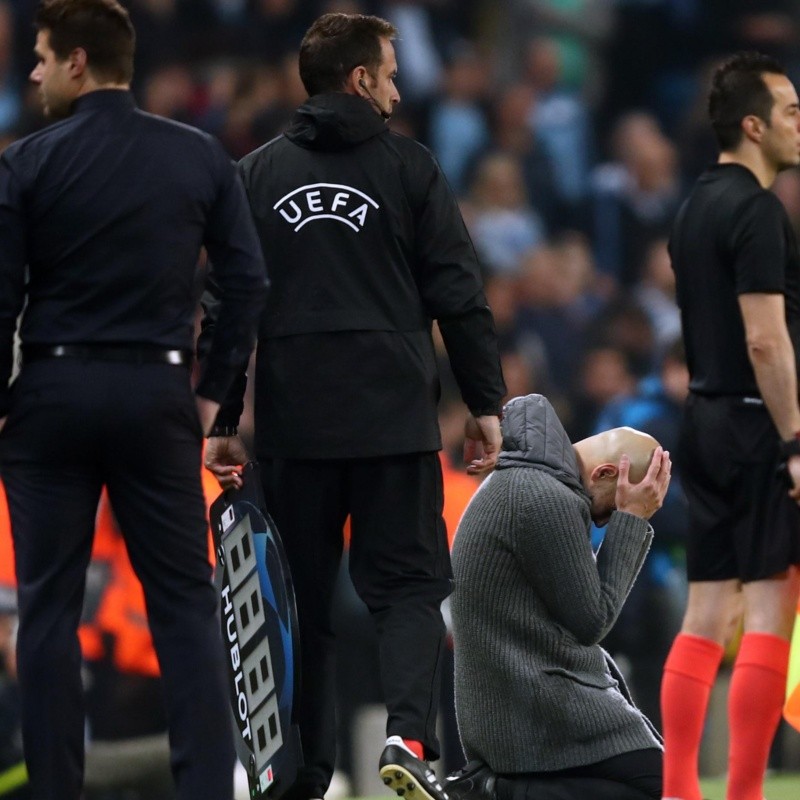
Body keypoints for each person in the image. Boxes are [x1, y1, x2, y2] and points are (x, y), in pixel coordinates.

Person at [202, 11, 506, 800]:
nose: (402, 88)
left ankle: (303, 771)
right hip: (393, 417)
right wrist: (484, 400)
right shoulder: (412, 169)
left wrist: (226, 418)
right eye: (392, 72)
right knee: (406, 587)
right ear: (361, 79)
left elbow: (230, 306)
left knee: (300, 603)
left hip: (297, 422)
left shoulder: (255, 175)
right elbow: (460, 295)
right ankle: (408, 736)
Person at [0, 2, 269, 799]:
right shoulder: (197, 157)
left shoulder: (26, 163)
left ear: (80, 61)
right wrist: (213, 394)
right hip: (157, 391)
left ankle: (53, 789)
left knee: (48, 609)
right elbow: (245, 281)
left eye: (43, 58)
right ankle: (204, 791)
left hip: (50, 390)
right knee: (185, 603)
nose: (34, 73)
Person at [660, 51, 800, 800]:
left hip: (704, 418)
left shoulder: (693, 207)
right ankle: (744, 791)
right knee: (772, 603)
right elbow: (765, 338)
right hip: (756, 424)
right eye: (789, 111)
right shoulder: (755, 210)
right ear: (753, 126)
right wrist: (796, 441)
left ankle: (680, 789)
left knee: (707, 607)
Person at [446, 392, 671, 800]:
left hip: (525, 694)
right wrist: (632, 521)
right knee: (660, 785)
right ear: (604, 474)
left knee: (658, 779)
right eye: (609, 510)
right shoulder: (545, 496)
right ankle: (496, 791)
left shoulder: (532, 478)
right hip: (529, 706)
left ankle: (499, 789)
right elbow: (592, 621)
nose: (601, 519)